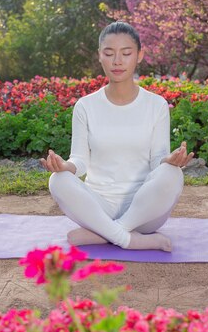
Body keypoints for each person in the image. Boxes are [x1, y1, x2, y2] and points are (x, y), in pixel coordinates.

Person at [40, 21, 193, 252]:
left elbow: (156, 161)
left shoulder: (156, 105)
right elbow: (80, 162)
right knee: (58, 180)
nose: (117, 61)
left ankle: (108, 232)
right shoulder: (86, 106)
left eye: (126, 53)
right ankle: (130, 239)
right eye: (109, 53)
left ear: (139, 55)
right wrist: (65, 166)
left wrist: (168, 162)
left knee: (172, 174)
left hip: (145, 212)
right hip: (97, 207)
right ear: (99, 56)